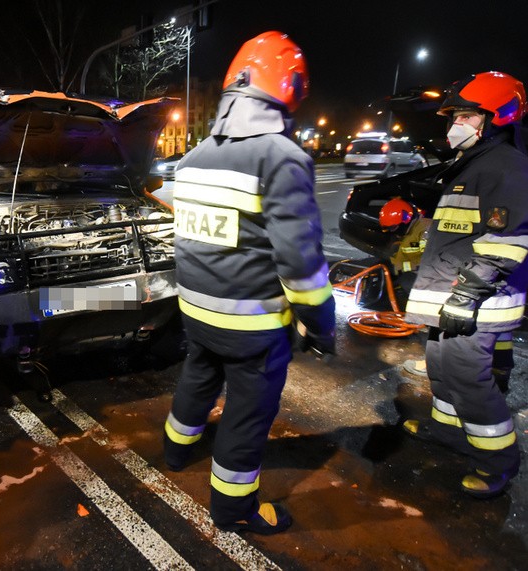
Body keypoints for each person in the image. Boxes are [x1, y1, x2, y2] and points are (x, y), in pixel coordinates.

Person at [163, 31, 335, 535]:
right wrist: (321, 327)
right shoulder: (281, 158)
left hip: (195, 312)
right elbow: (300, 264)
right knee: (246, 412)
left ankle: (176, 450)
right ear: (287, 91)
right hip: (251, 325)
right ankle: (234, 508)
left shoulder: (193, 159)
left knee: (197, 378)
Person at [403, 71, 528, 499]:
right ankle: (449, 432)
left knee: (468, 378)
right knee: (441, 368)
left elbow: (506, 241)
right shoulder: (475, 164)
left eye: (465, 115)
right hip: (451, 296)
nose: (455, 123)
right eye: (455, 115)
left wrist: (467, 294)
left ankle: (498, 462)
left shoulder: (507, 167)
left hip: (477, 301)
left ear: (493, 118)